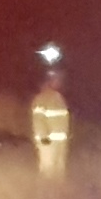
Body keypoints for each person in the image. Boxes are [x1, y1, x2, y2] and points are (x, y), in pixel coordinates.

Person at [30, 46, 72, 178]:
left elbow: (62, 118)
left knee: (59, 169)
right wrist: (43, 136)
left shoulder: (59, 98)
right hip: (47, 142)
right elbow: (38, 119)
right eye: (56, 80)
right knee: (47, 169)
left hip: (60, 142)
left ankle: (58, 189)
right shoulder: (42, 98)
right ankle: (46, 188)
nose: (59, 82)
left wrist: (66, 134)